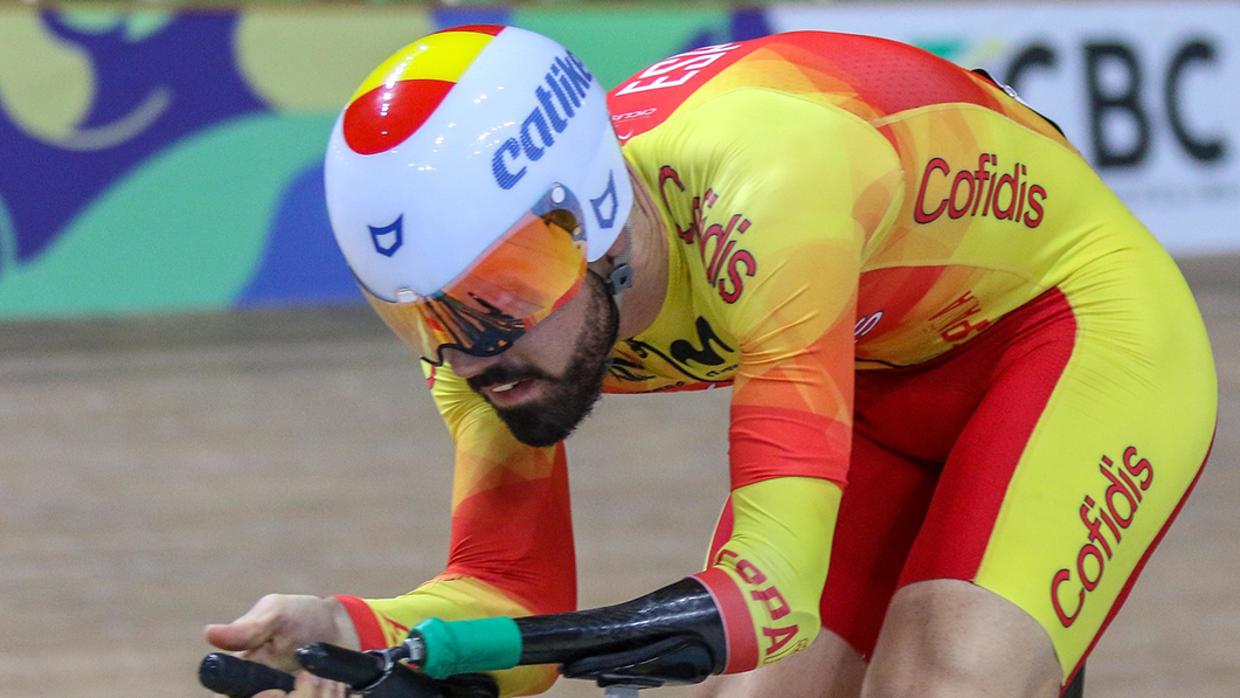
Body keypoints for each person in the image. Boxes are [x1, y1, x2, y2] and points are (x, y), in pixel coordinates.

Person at [205, 25, 1218, 697]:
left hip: (1069, 327)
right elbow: (508, 592)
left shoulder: (768, 193)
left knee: (939, 679)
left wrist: (512, 648)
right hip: (872, 369)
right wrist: (360, 626)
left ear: (589, 213)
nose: (474, 353)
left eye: (502, 293)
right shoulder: (475, 329)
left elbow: (760, 595)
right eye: (422, 311)